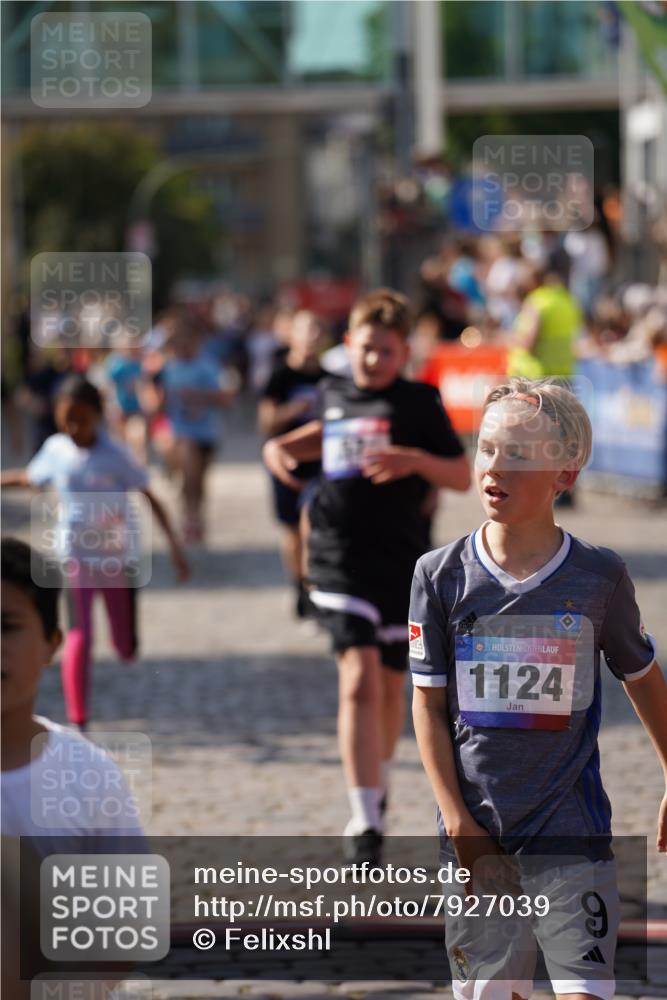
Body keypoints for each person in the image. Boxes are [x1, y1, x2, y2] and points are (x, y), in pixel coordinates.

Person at [410, 378, 667, 1000]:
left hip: (572, 832)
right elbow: (428, 703)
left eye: (519, 455)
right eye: (487, 448)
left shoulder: (598, 576)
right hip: (479, 837)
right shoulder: (439, 575)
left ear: (564, 475)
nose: (495, 466)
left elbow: (643, 678)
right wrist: (457, 820)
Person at [264, 288, 470, 864]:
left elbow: (460, 475)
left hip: (401, 559)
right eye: (365, 348)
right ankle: (364, 817)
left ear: (404, 352)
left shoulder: (419, 403)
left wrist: (414, 461)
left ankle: (375, 787)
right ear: (349, 342)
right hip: (337, 554)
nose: (373, 359)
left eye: (386, 350)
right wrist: (280, 448)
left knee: (388, 686)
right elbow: (324, 433)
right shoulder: (332, 392)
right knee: (357, 677)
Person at [1, 376, 190, 729]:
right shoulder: (56, 449)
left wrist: (175, 548)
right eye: (66, 420)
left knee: (125, 645)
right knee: (80, 634)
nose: (74, 428)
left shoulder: (117, 456)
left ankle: (126, 643)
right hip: (76, 555)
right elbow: (30, 477)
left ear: (98, 416)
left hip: (116, 559)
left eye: (82, 420)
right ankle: (79, 717)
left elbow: (150, 497)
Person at [258, 310, 326, 619]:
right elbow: (266, 422)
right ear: (292, 336)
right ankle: (298, 586)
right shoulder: (279, 376)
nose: (311, 336)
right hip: (286, 463)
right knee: (292, 531)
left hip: (321, 464)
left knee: (314, 524)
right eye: (305, 329)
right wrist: (293, 409)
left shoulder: (330, 379)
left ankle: (315, 587)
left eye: (317, 329)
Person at [147, 317, 237, 543]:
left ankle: (196, 515)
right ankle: (189, 518)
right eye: (179, 342)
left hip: (207, 431)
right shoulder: (168, 368)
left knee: (198, 480)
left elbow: (225, 398)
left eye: (188, 341)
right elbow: (158, 403)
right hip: (181, 431)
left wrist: (200, 396)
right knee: (190, 472)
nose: (183, 346)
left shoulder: (209, 366)